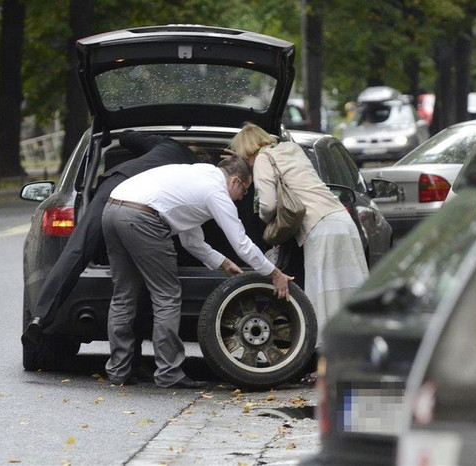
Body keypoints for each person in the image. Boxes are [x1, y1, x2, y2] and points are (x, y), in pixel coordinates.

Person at [101, 155, 293, 389]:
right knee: (166, 297)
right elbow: (241, 242)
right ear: (234, 181)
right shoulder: (216, 192)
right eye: (245, 189)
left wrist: (222, 262)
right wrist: (274, 273)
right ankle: (169, 372)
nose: (243, 197)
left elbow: (191, 240)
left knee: (123, 296)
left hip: (112, 209)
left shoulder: (197, 176)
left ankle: (118, 371)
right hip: (144, 218)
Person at [21, 132, 201, 355]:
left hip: (115, 185)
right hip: (144, 209)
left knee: (77, 249)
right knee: (139, 281)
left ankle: (39, 318)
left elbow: (127, 138)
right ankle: (133, 360)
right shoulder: (197, 170)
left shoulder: (165, 144)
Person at [229, 123, 369, 383]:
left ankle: (326, 369)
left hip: (320, 228)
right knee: (348, 294)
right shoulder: (291, 149)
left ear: (246, 149)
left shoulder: (262, 159)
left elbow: (269, 205)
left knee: (322, 298)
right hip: (342, 221)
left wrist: (261, 218)